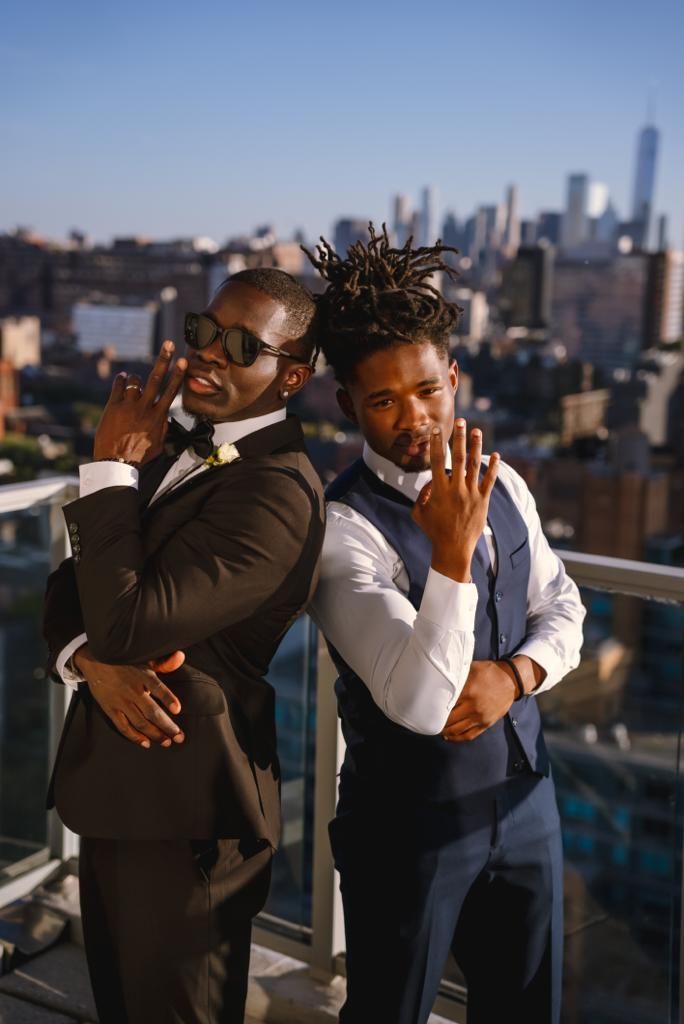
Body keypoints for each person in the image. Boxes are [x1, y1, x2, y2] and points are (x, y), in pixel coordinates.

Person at [305, 226, 585, 1024]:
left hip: (527, 800)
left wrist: (517, 674)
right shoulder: (343, 530)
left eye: (428, 390)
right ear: (349, 403)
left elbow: (563, 609)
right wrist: (453, 556)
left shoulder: (509, 482)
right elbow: (423, 703)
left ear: (454, 379)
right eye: (385, 400)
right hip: (406, 829)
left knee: (528, 1010)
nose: (415, 417)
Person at [43, 268, 326, 1024]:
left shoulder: (280, 493)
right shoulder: (167, 444)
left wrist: (108, 468)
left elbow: (129, 621)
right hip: (116, 794)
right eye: (205, 330)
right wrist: (88, 663)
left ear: (290, 376)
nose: (209, 354)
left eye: (242, 345)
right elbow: (72, 591)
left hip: (190, 820)